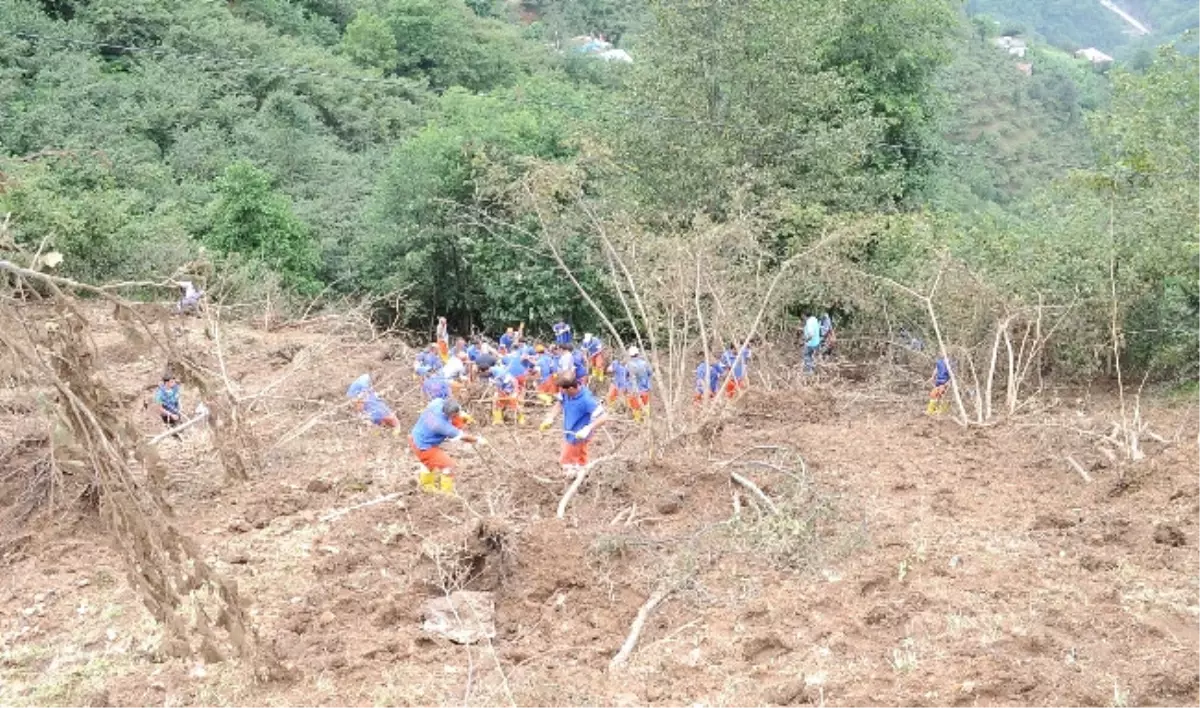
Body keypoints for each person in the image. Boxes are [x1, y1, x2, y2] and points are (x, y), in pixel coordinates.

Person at [540, 372, 607, 475]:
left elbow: (603, 417)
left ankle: (570, 480)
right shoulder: (565, 392)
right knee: (581, 461)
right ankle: (583, 477)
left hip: (577, 436)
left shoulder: (586, 400)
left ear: (571, 388)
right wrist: (551, 417)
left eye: (563, 390)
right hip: (570, 431)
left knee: (566, 462)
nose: (561, 392)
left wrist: (588, 428)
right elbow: (560, 403)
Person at [409, 398, 480, 494]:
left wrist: (461, 415)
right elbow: (463, 437)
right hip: (423, 446)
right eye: (455, 414)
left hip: (416, 436)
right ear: (449, 414)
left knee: (428, 463)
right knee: (448, 466)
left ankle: (426, 486)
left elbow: (452, 410)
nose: (458, 415)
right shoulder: (440, 425)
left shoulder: (437, 403)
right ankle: (446, 493)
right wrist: (478, 440)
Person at [626, 347, 653, 422]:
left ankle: (638, 422)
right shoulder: (645, 364)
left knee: (635, 408)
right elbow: (650, 373)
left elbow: (625, 376)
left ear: (630, 355)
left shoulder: (628, 365)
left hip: (633, 391)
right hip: (645, 389)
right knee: (646, 405)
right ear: (638, 354)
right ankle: (646, 422)